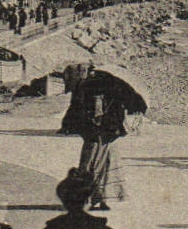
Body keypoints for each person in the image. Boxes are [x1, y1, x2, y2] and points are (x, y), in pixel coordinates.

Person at [60, 68, 144, 210]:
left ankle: (90, 198)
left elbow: (77, 111)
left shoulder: (86, 88)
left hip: (95, 134)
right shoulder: (116, 88)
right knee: (107, 165)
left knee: (90, 164)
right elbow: (129, 107)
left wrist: (71, 126)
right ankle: (102, 199)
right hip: (108, 134)